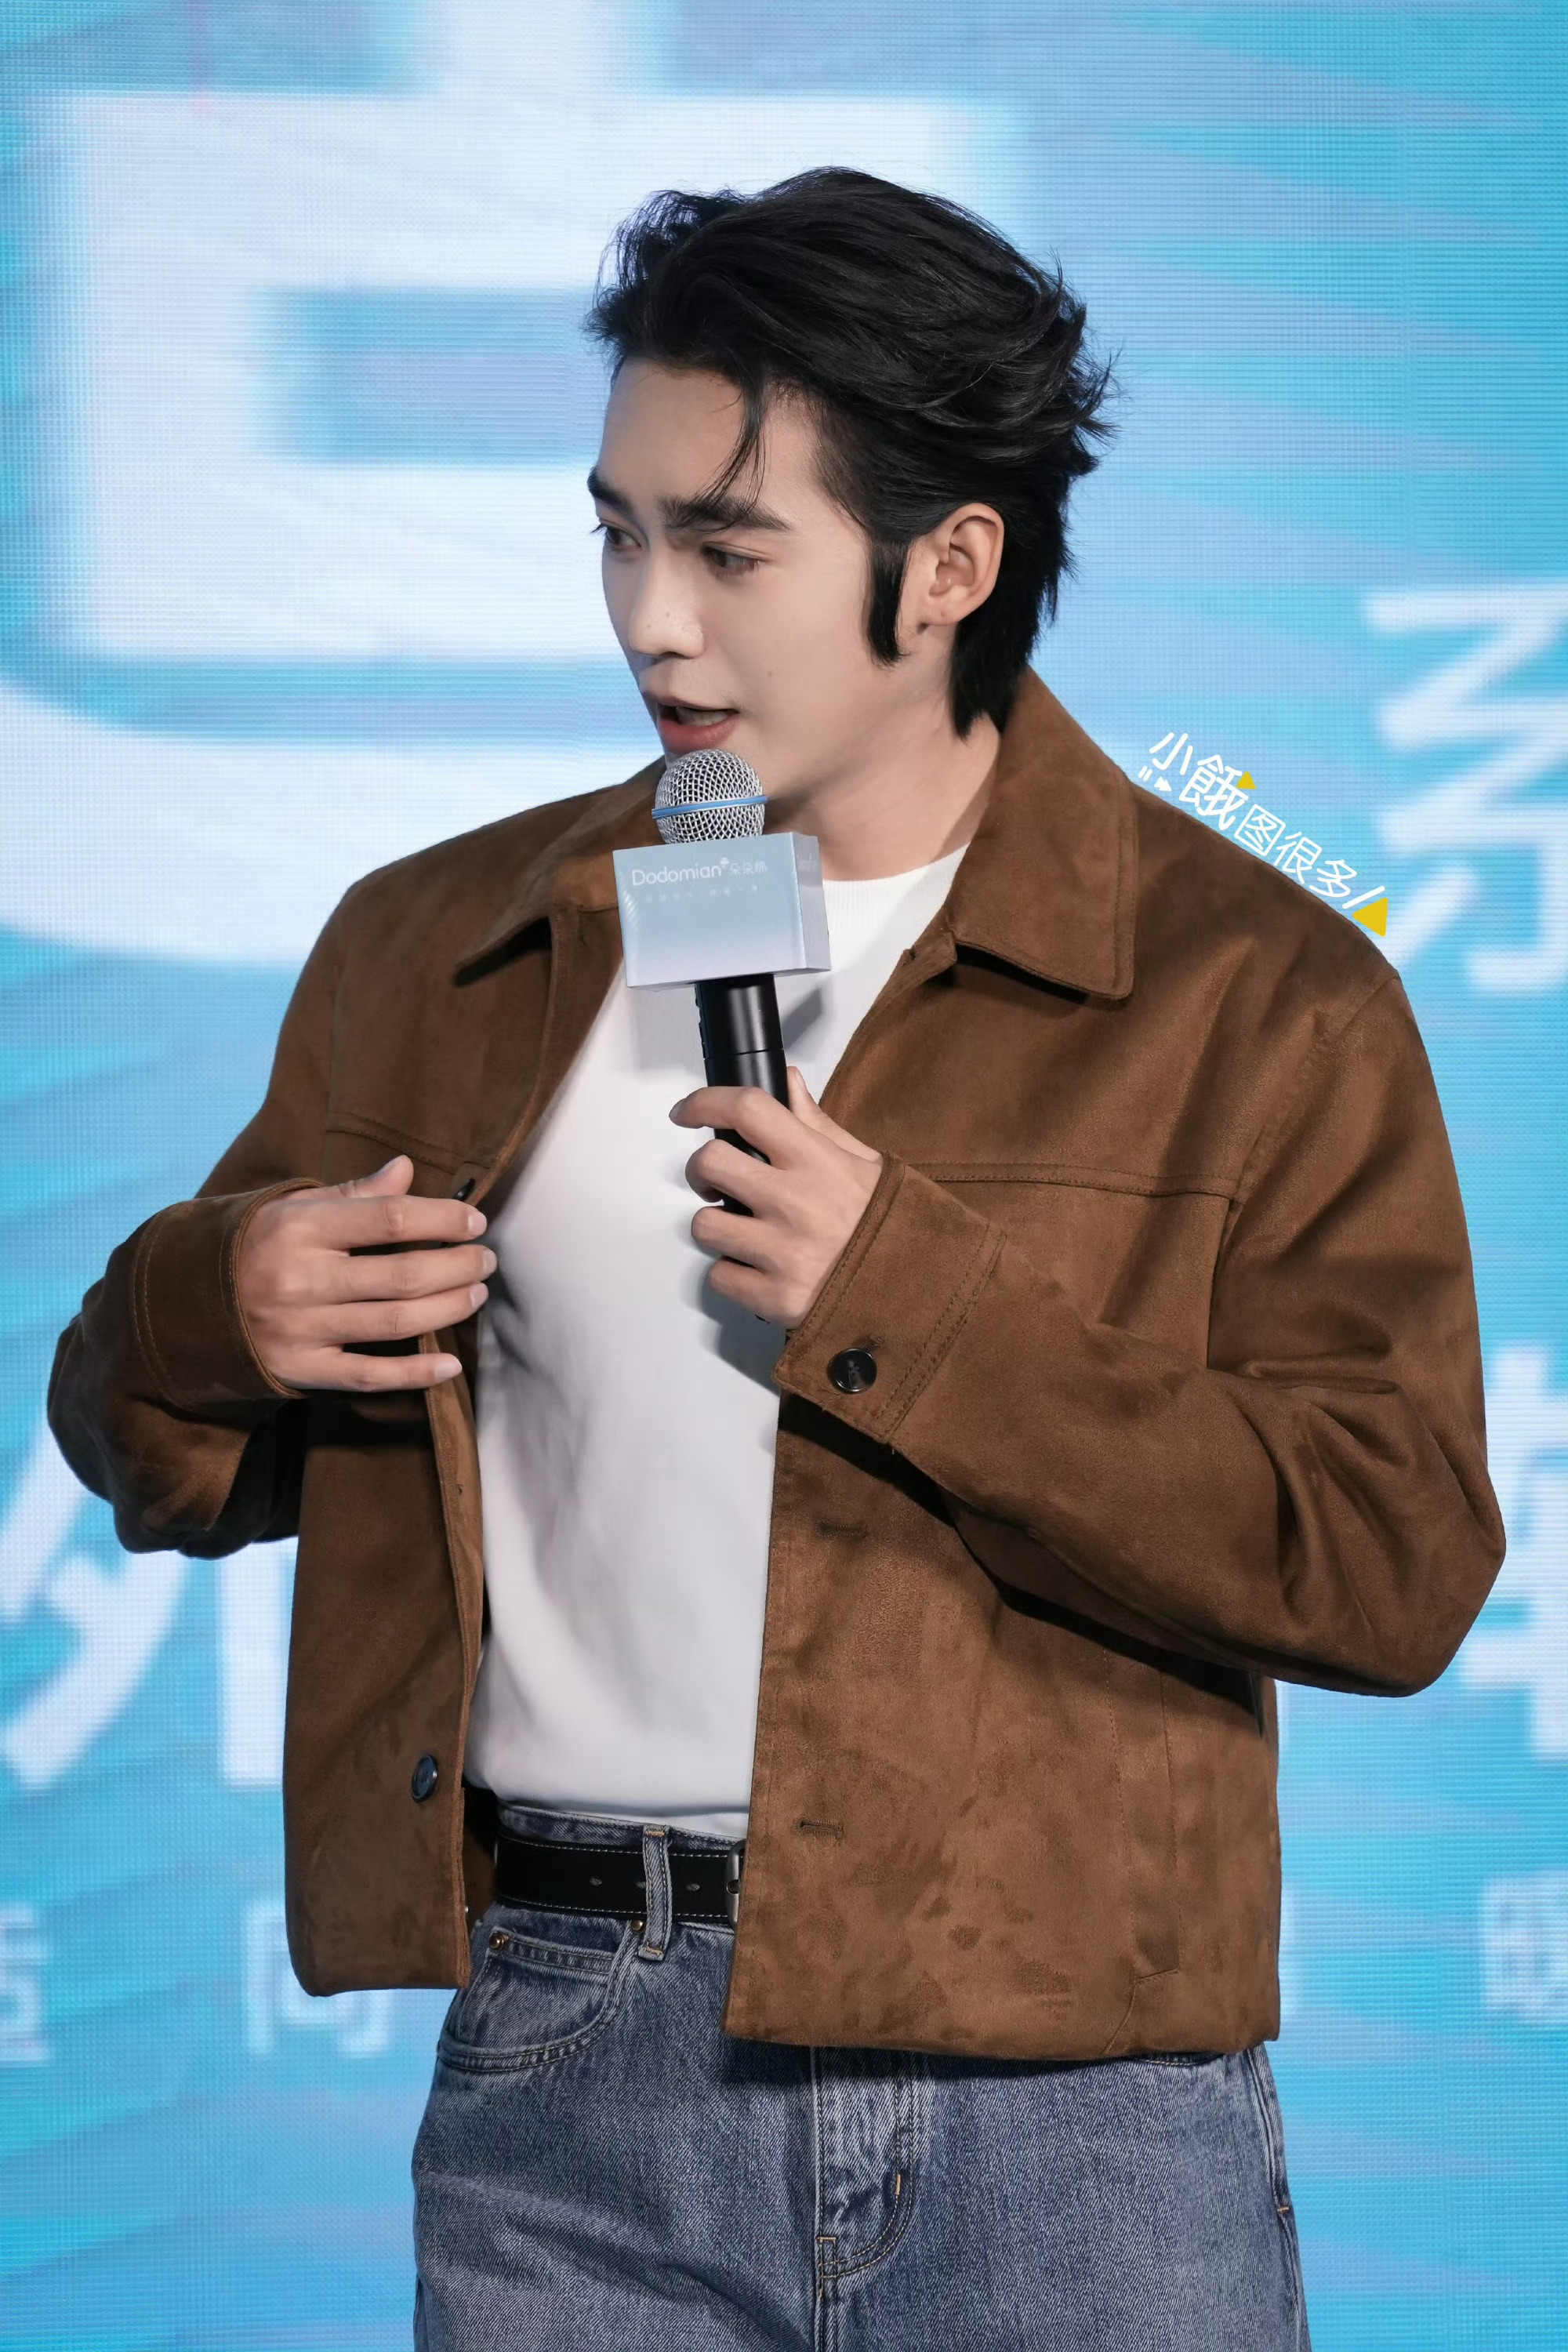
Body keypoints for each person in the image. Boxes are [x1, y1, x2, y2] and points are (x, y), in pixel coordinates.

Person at [49, 170, 1504, 2350]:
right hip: (574, 2063)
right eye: (617, 534)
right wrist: (216, 1310)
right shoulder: (442, 949)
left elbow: (1392, 1561)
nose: (653, 620)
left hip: (1074, 2098)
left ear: (952, 566)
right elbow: (144, 1442)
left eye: (730, 551)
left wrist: (918, 1305)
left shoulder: (1255, 998)